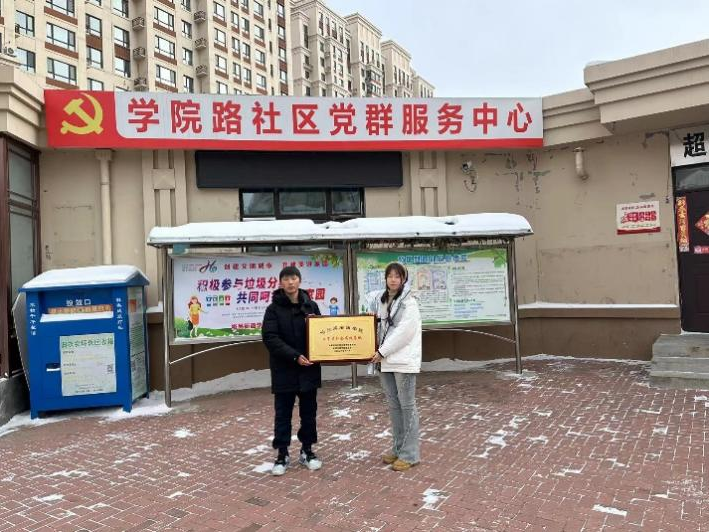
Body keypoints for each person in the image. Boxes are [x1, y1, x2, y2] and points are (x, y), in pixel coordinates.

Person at [262, 266, 323, 476]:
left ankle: (307, 450)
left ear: (299, 280)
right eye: (286, 279)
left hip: (309, 369)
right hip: (284, 370)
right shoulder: (273, 309)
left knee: (309, 413)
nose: (290, 282)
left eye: (294, 278)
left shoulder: (311, 306)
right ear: (280, 283)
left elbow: (322, 334)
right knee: (283, 414)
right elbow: (270, 338)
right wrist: (295, 356)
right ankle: (282, 454)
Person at [370, 262, 422, 472]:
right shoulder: (381, 301)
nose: (393, 279)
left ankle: (410, 454)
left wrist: (381, 351)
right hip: (385, 361)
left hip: (403, 361)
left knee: (407, 406)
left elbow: (403, 333)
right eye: (389, 276)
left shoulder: (409, 303)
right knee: (394, 406)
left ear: (403, 279)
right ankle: (398, 448)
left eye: (397, 276)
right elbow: (376, 327)